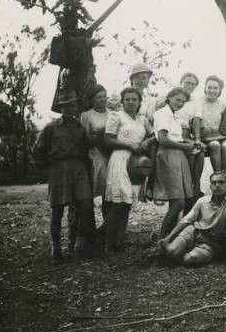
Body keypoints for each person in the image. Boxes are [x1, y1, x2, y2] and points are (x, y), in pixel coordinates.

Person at [32, 90, 96, 262]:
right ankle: (56, 248)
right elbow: (37, 152)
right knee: (57, 210)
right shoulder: (50, 128)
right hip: (58, 168)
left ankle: (79, 245)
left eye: (72, 105)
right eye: (65, 106)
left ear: (76, 107)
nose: (69, 108)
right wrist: (48, 169)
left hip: (78, 167)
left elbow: (87, 148)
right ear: (60, 108)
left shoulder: (80, 128)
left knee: (86, 205)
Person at [102, 87, 151, 252]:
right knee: (118, 203)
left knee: (127, 203)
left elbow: (153, 135)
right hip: (120, 159)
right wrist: (128, 144)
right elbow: (107, 140)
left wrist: (146, 143)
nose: (131, 102)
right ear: (122, 102)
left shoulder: (142, 120)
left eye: (134, 99)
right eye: (127, 99)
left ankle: (119, 241)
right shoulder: (116, 116)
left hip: (136, 162)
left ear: (139, 102)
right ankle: (107, 242)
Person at [160, 171, 226, 266]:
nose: (217, 185)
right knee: (172, 251)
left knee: (189, 259)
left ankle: (184, 254)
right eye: (214, 182)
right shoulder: (202, 201)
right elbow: (186, 220)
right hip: (194, 232)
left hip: (212, 241)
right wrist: (168, 237)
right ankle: (173, 251)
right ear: (210, 186)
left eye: (221, 182)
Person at [153, 87, 198, 238]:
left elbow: (176, 136)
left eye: (183, 102)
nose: (180, 103)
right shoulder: (163, 113)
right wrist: (185, 147)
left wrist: (192, 143)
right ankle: (161, 238)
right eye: (177, 100)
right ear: (170, 97)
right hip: (168, 155)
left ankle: (167, 238)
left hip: (178, 155)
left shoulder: (175, 115)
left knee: (176, 201)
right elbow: (163, 139)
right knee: (179, 202)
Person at [80, 84, 110, 220]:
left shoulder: (112, 113)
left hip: (112, 150)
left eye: (104, 96)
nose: (103, 99)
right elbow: (84, 139)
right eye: (99, 97)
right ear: (92, 99)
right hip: (97, 152)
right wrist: (98, 137)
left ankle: (111, 225)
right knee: (104, 186)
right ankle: (105, 225)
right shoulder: (87, 115)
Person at [197, 75, 226, 171]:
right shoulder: (198, 103)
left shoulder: (223, 106)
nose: (212, 90)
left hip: (220, 136)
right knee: (215, 145)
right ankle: (217, 174)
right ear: (205, 88)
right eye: (209, 87)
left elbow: (225, 125)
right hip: (204, 138)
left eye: (215, 88)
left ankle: (223, 174)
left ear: (220, 90)